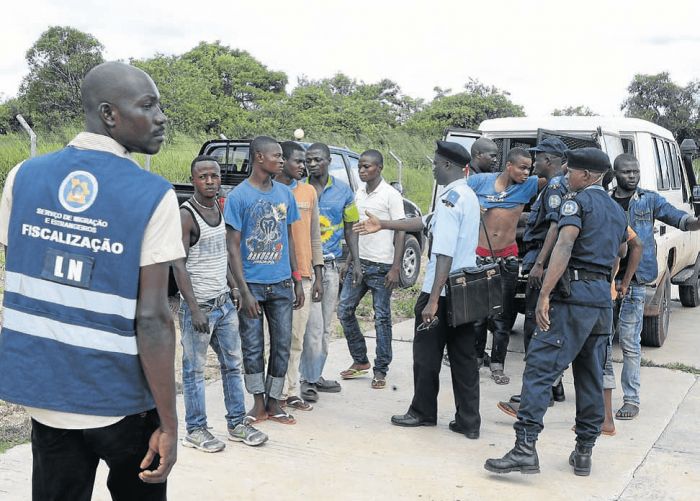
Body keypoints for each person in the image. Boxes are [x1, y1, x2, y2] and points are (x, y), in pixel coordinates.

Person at [0, 62, 182, 499]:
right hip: (119, 401)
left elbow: (30, 274)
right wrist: (170, 421)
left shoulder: (23, 177)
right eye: (148, 104)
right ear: (109, 114)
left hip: (46, 399)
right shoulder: (153, 195)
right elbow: (154, 318)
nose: (161, 117)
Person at [485, 148, 628, 477]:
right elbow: (621, 250)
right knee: (590, 377)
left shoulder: (574, 202)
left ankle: (524, 449)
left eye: (572, 171)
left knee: (539, 371)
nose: (566, 176)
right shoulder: (618, 210)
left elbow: (564, 245)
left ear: (588, 176)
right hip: (600, 305)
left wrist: (544, 294)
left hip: (572, 298)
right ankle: (583, 453)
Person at [356, 141, 482, 439]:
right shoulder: (466, 195)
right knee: (464, 358)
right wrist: (384, 224)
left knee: (426, 356)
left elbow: (444, 253)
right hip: (464, 291)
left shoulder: (451, 200)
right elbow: (425, 222)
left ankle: (423, 411)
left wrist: (433, 300)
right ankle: (469, 421)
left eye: (436, 164)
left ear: (448, 166)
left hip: (443, 291)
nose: (433, 168)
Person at [172, 155, 268, 451]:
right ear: (194, 181)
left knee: (232, 365)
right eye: (204, 177)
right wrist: (194, 306)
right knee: (195, 371)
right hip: (199, 307)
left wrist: (234, 288)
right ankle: (196, 429)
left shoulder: (218, 206)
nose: (210, 181)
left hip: (224, 303)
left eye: (214, 175)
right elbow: (178, 265)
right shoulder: (186, 215)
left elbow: (221, 255)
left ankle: (237, 423)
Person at [609, 153, 700, 420]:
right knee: (600, 342)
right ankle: (597, 396)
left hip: (636, 281)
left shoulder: (648, 199)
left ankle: (631, 399)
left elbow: (679, 219)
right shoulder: (604, 199)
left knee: (629, 342)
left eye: (636, 171)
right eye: (627, 172)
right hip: (606, 279)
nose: (633, 176)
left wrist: (697, 221)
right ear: (616, 174)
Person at [225, 135, 304, 426]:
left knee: (282, 344)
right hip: (253, 286)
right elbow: (232, 247)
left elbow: (290, 239)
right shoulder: (238, 197)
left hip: (282, 283)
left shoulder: (285, 195)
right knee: (253, 346)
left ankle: (274, 401)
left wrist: (296, 278)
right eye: (277, 156)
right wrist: (242, 290)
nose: (282, 161)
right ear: (259, 157)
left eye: (283, 156)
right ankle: (257, 403)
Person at [498, 137, 569, 416]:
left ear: (548, 160)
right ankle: (555, 386)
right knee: (547, 326)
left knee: (534, 329)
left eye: (537, 159)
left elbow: (553, 227)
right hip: (547, 259)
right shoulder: (562, 185)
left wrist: (539, 264)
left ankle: (533, 395)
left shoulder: (553, 186)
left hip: (541, 258)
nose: (534, 163)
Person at [468, 148, 541, 385]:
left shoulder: (528, 185)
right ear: (508, 165)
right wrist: (472, 208)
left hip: (507, 258)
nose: (526, 172)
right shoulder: (480, 182)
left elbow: (556, 176)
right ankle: (478, 357)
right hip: (480, 257)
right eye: (521, 167)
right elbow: (455, 198)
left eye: (529, 168)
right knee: (477, 316)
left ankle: (497, 363)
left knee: (502, 315)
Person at [337, 150, 406, 389]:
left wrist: (396, 267)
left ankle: (381, 369)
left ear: (380, 168)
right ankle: (360, 360)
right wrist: (349, 261)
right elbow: (354, 229)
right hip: (360, 264)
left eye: (367, 167)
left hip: (382, 265)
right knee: (344, 310)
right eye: (361, 167)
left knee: (382, 318)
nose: (362, 170)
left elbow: (401, 229)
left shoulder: (390, 195)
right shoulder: (358, 193)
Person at [299, 142, 361, 401]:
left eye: (317, 160)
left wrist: (355, 261)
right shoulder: (299, 189)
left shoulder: (345, 191)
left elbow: (351, 227)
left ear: (329, 161)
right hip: (306, 267)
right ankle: (307, 380)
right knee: (311, 328)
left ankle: (314, 374)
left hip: (333, 266)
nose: (312, 165)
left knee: (325, 328)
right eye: (308, 160)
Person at [275, 141, 324, 411]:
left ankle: (291, 390)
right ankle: (272, 393)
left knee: (296, 338)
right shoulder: (272, 192)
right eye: (299, 161)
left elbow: (314, 236)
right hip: (274, 277)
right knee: (274, 341)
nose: (305, 167)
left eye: (306, 162)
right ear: (282, 161)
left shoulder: (308, 192)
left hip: (303, 277)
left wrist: (316, 274)